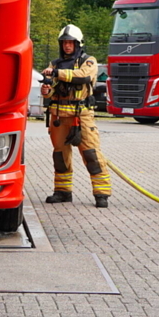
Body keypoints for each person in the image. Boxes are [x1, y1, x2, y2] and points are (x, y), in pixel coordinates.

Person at [41, 25, 112, 208]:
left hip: (82, 116)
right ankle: (63, 192)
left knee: (91, 153)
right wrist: (46, 90)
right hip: (58, 116)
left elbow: (82, 77)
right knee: (60, 155)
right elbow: (50, 93)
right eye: (64, 42)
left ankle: (101, 193)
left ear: (77, 43)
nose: (67, 46)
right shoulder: (54, 64)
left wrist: (57, 74)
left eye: (70, 42)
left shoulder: (88, 62)